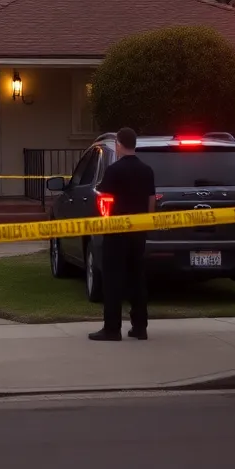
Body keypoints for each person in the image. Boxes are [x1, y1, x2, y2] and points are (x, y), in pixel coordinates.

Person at [89, 126, 156, 342]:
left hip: (116, 232)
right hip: (138, 232)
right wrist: (147, 225)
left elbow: (105, 199)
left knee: (113, 280)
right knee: (137, 278)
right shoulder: (147, 170)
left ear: (119, 144)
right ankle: (140, 326)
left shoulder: (114, 171)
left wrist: (103, 222)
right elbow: (151, 201)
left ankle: (112, 328)